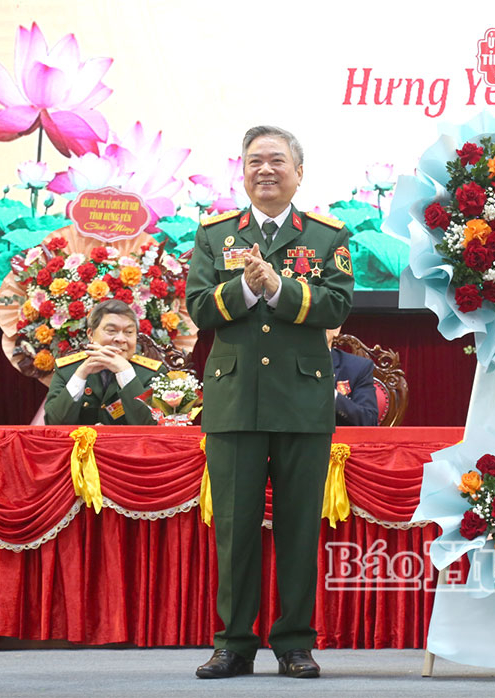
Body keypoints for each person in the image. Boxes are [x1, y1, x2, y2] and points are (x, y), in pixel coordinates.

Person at [187, 125, 354, 679]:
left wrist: (280, 288)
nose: (265, 169)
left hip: (302, 399)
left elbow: (336, 306)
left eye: (277, 160)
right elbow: (199, 308)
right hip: (235, 398)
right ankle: (233, 644)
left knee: (298, 527)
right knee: (234, 527)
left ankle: (294, 643)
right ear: (242, 171)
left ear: (298, 173)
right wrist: (246, 286)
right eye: (254, 160)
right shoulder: (214, 234)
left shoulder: (327, 236)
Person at [44, 299, 165, 425]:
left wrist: (126, 373)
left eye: (129, 332)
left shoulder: (152, 374)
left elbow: (152, 425)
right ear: (91, 334)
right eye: (111, 331)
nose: (121, 339)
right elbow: (53, 423)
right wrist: (80, 375)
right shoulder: (68, 370)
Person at [326, 326, 379, 426]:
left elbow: (369, 420)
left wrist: (333, 396)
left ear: (336, 329)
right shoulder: (292, 364)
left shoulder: (358, 367)